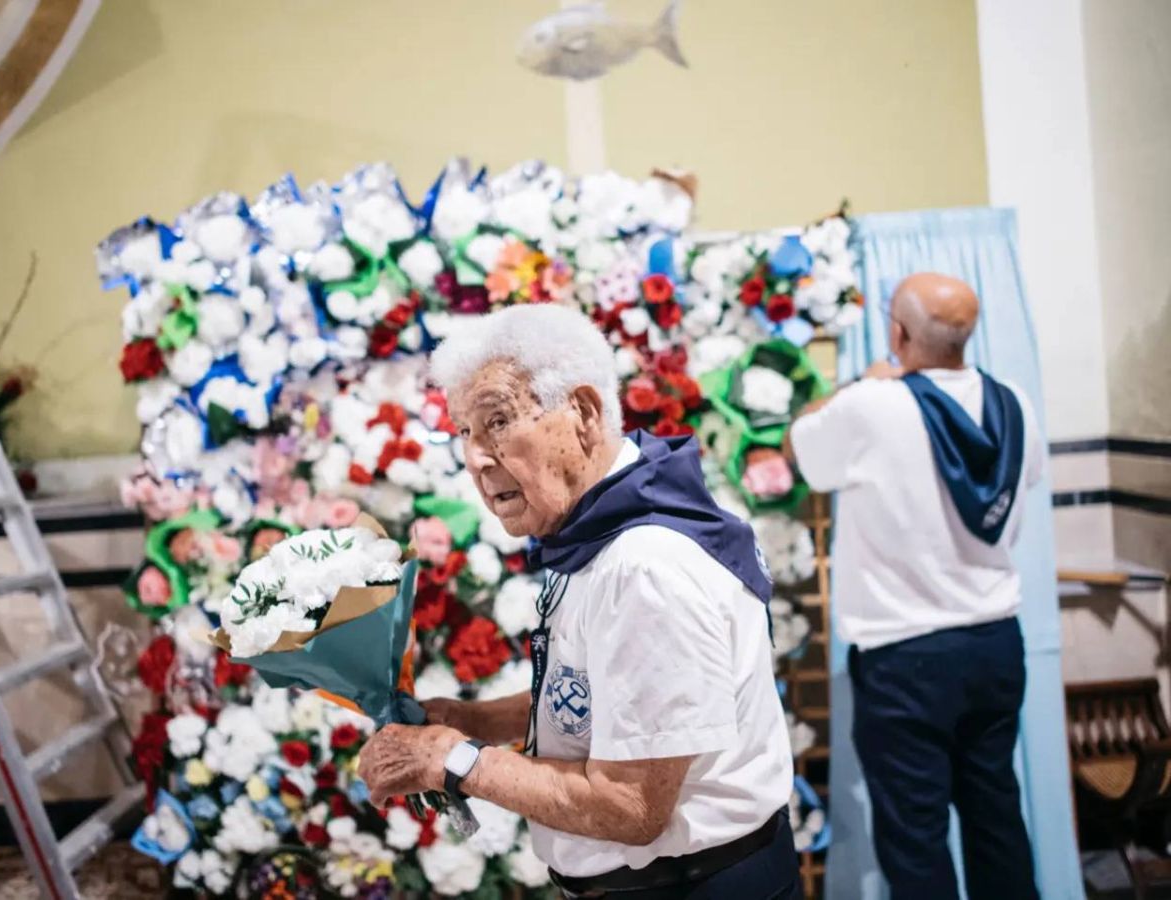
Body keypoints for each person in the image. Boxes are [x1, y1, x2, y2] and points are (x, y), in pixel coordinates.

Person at [357, 304, 801, 899]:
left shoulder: (645, 565)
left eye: (497, 422)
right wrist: (479, 720)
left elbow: (631, 806)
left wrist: (454, 759)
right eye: (464, 430)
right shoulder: (596, 526)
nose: (476, 458)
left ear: (584, 413)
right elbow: (608, 690)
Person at [784, 273, 1043, 900]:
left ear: (897, 333)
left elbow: (801, 450)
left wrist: (860, 383)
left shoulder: (872, 405)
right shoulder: (1015, 403)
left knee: (915, 838)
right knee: (997, 821)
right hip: (995, 646)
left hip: (906, 660)